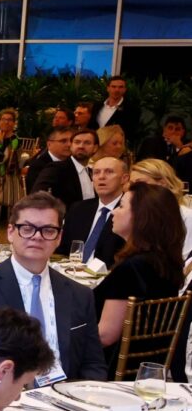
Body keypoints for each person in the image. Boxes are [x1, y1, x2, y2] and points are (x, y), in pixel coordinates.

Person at [0, 193, 107, 382]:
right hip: (3, 395)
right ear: (10, 232)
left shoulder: (80, 294)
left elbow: (94, 364)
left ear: (59, 238)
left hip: (65, 394)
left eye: (48, 230)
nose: (37, 237)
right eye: (27, 228)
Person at [96, 182, 186, 367]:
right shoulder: (165, 262)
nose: (113, 212)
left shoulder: (132, 269)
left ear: (141, 217)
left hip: (107, 368)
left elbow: (105, 335)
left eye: (121, 206)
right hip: (145, 366)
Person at [62, 156, 128, 270]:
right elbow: (62, 249)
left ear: (124, 179)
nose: (101, 177)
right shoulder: (78, 209)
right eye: (96, 172)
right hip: (71, 272)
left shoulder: (130, 212)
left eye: (109, 172)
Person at [129, 158, 192, 260]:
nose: (133, 190)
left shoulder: (187, 216)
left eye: (140, 184)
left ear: (162, 184)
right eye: (131, 184)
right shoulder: (133, 215)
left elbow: (186, 260)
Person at [28, 126, 86, 208]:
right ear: (49, 144)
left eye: (71, 141)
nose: (69, 145)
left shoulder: (74, 162)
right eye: (63, 141)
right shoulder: (39, 166)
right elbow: (36, 196)